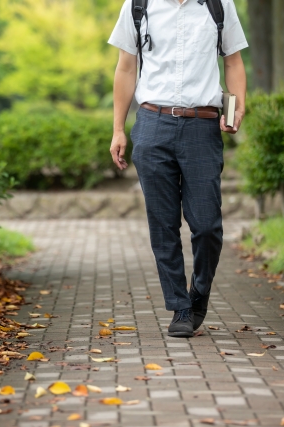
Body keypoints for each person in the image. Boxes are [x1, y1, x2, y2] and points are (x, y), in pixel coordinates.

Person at [108, 0, 248, 337]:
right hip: (152, 124)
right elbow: (126, 68)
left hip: (202, 125)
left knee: (207, 226)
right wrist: (117, 129)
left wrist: (237, 106)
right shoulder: (137, 6)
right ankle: (180, 307)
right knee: (164, 226)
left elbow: (234, 60)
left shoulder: (218, 5)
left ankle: (198, 293)